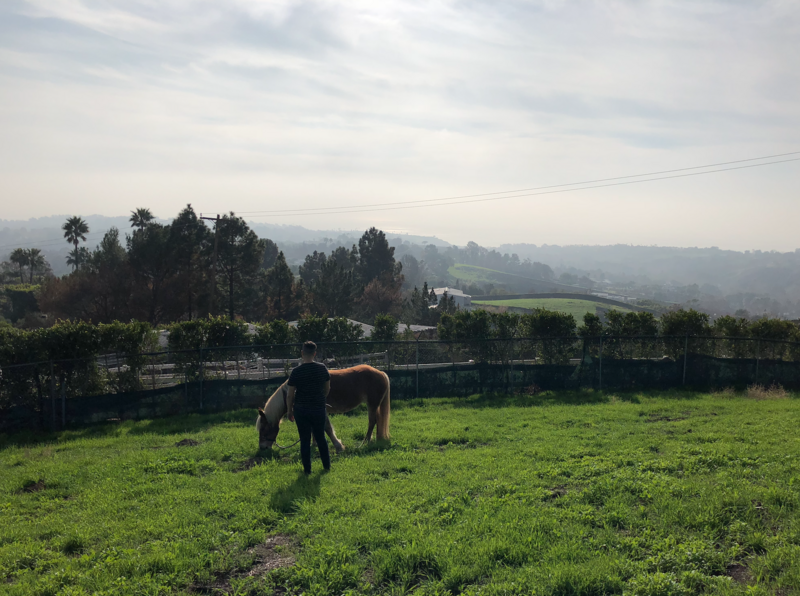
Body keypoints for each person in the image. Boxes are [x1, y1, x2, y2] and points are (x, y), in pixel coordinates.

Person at [286, 341, 331, 474]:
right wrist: (321, 398)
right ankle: (326, 467)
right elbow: (327, 388)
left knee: (304, 440)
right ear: (315, 354)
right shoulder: (322, 368)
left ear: (302, 353)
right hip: (318, 408)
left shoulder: (296, 372)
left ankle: (307, 470)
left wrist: (289, 410)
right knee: (321, 438)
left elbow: (290, 394)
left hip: (301, 409)